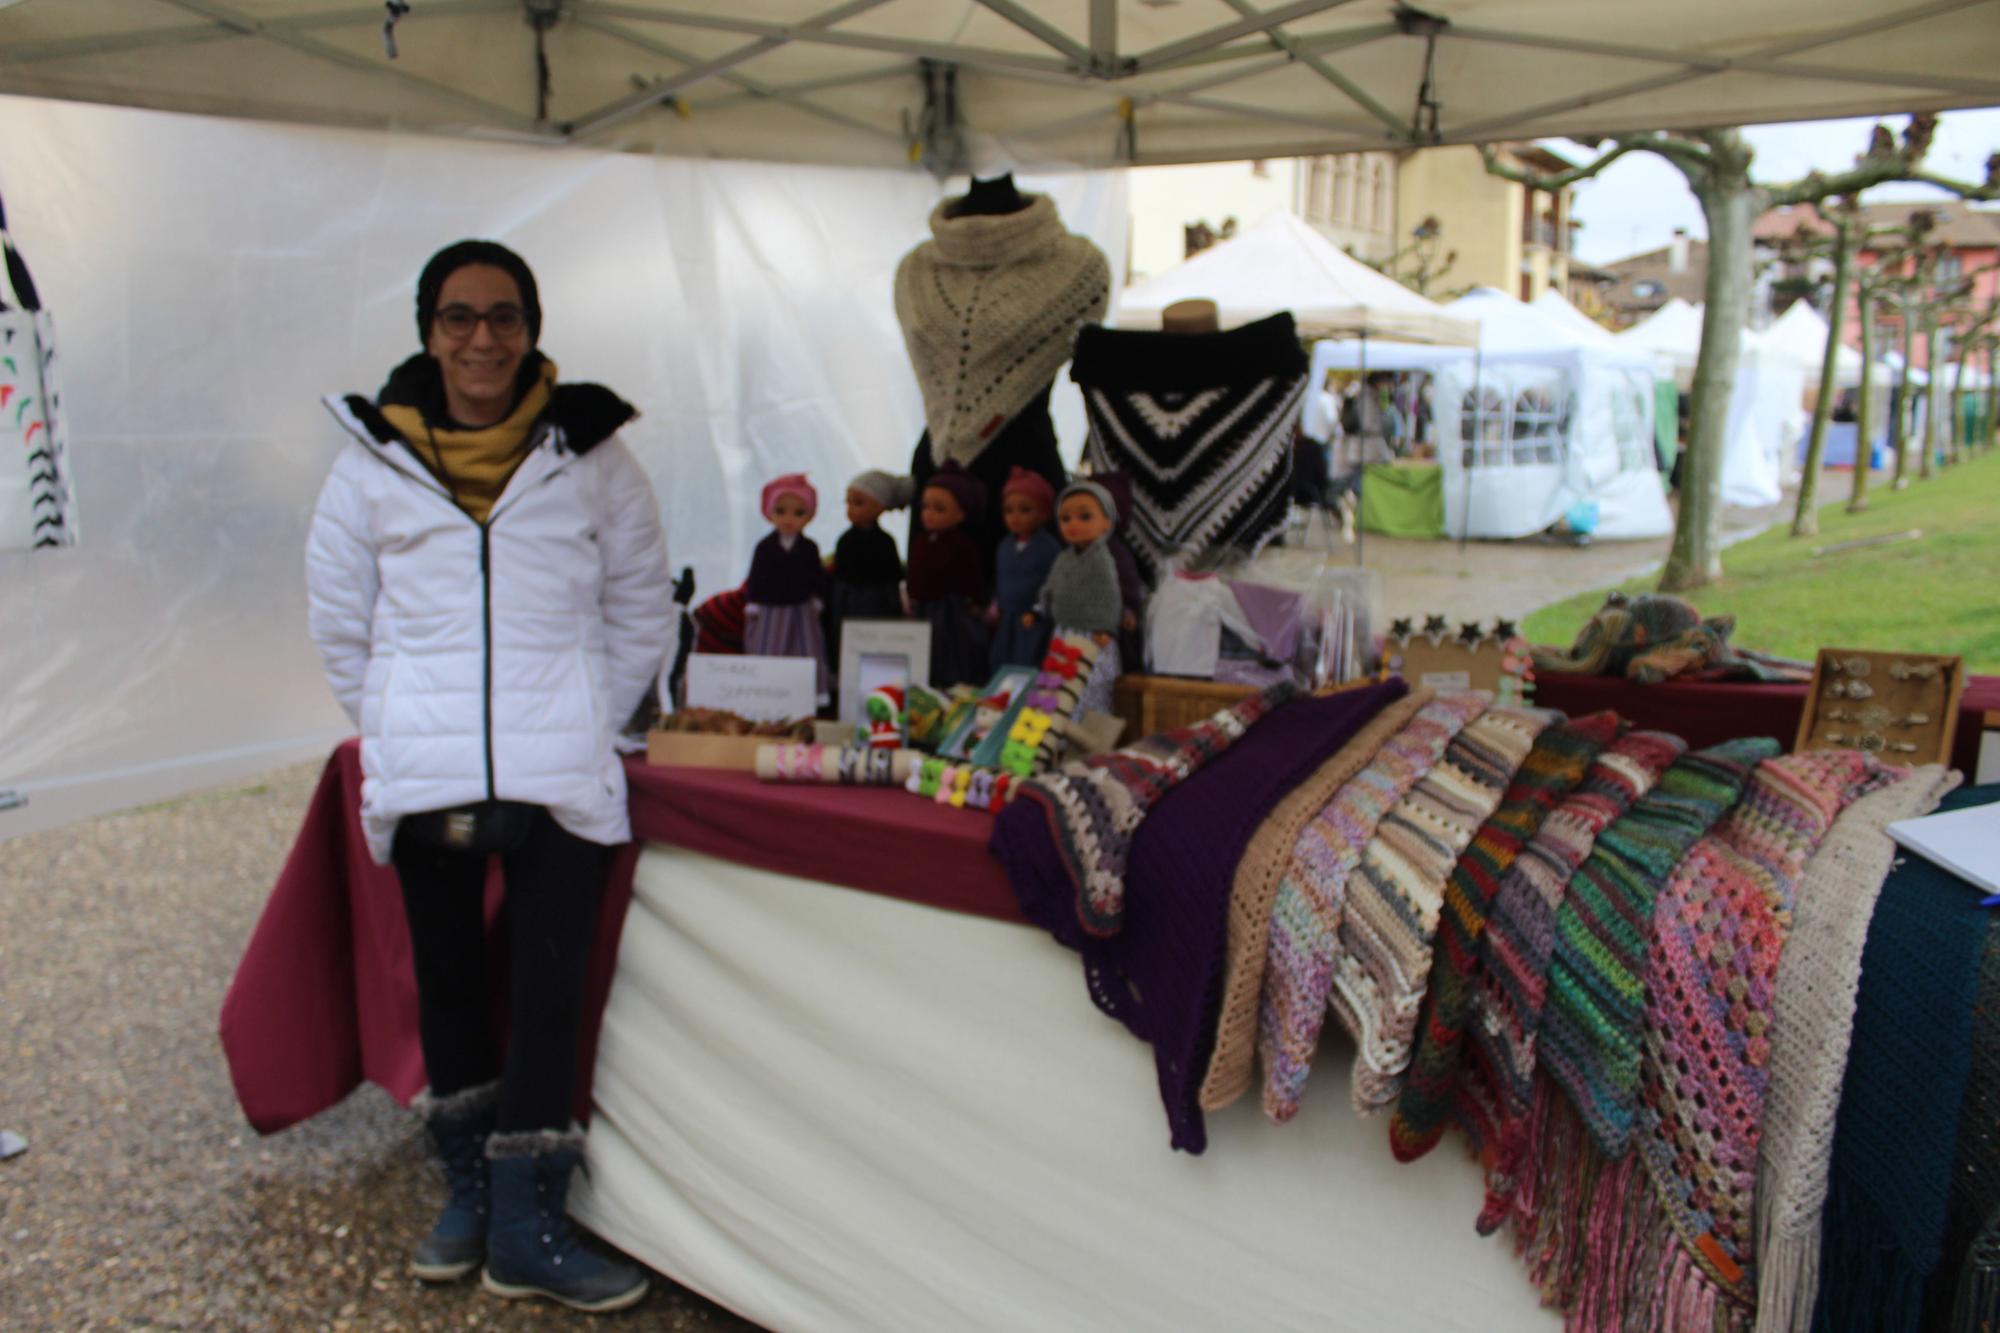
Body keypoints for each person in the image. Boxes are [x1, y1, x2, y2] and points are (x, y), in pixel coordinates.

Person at [306, 240, 672, 1314]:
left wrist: (590, 720)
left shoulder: (593, 455)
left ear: (532, 329)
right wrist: (393, 721)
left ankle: (526, 1225)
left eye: (504, 316)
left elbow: (639, 602)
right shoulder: (368, 463)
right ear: (428, 331)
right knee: (450, 987)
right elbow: (341, 622)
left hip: (561, 770)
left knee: (550, 995)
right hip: (426, 770)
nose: (482, 338)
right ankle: (466, 1193)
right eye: (458, 317)